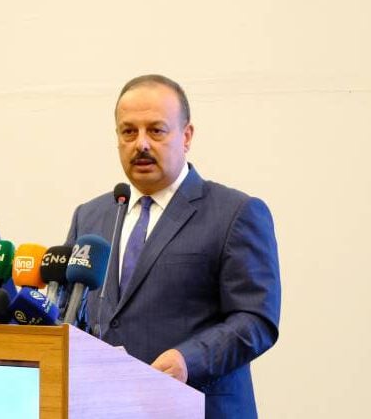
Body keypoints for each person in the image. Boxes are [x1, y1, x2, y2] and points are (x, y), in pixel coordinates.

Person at [65, 74, 281, 419]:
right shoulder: (90, 217)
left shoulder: (235, 213)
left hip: (200, 407)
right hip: (105, 408)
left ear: (187, 135)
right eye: (128, 132)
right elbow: (71, 310)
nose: (141, 144)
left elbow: (256, 320)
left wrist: (188, 360)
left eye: (156, 130)